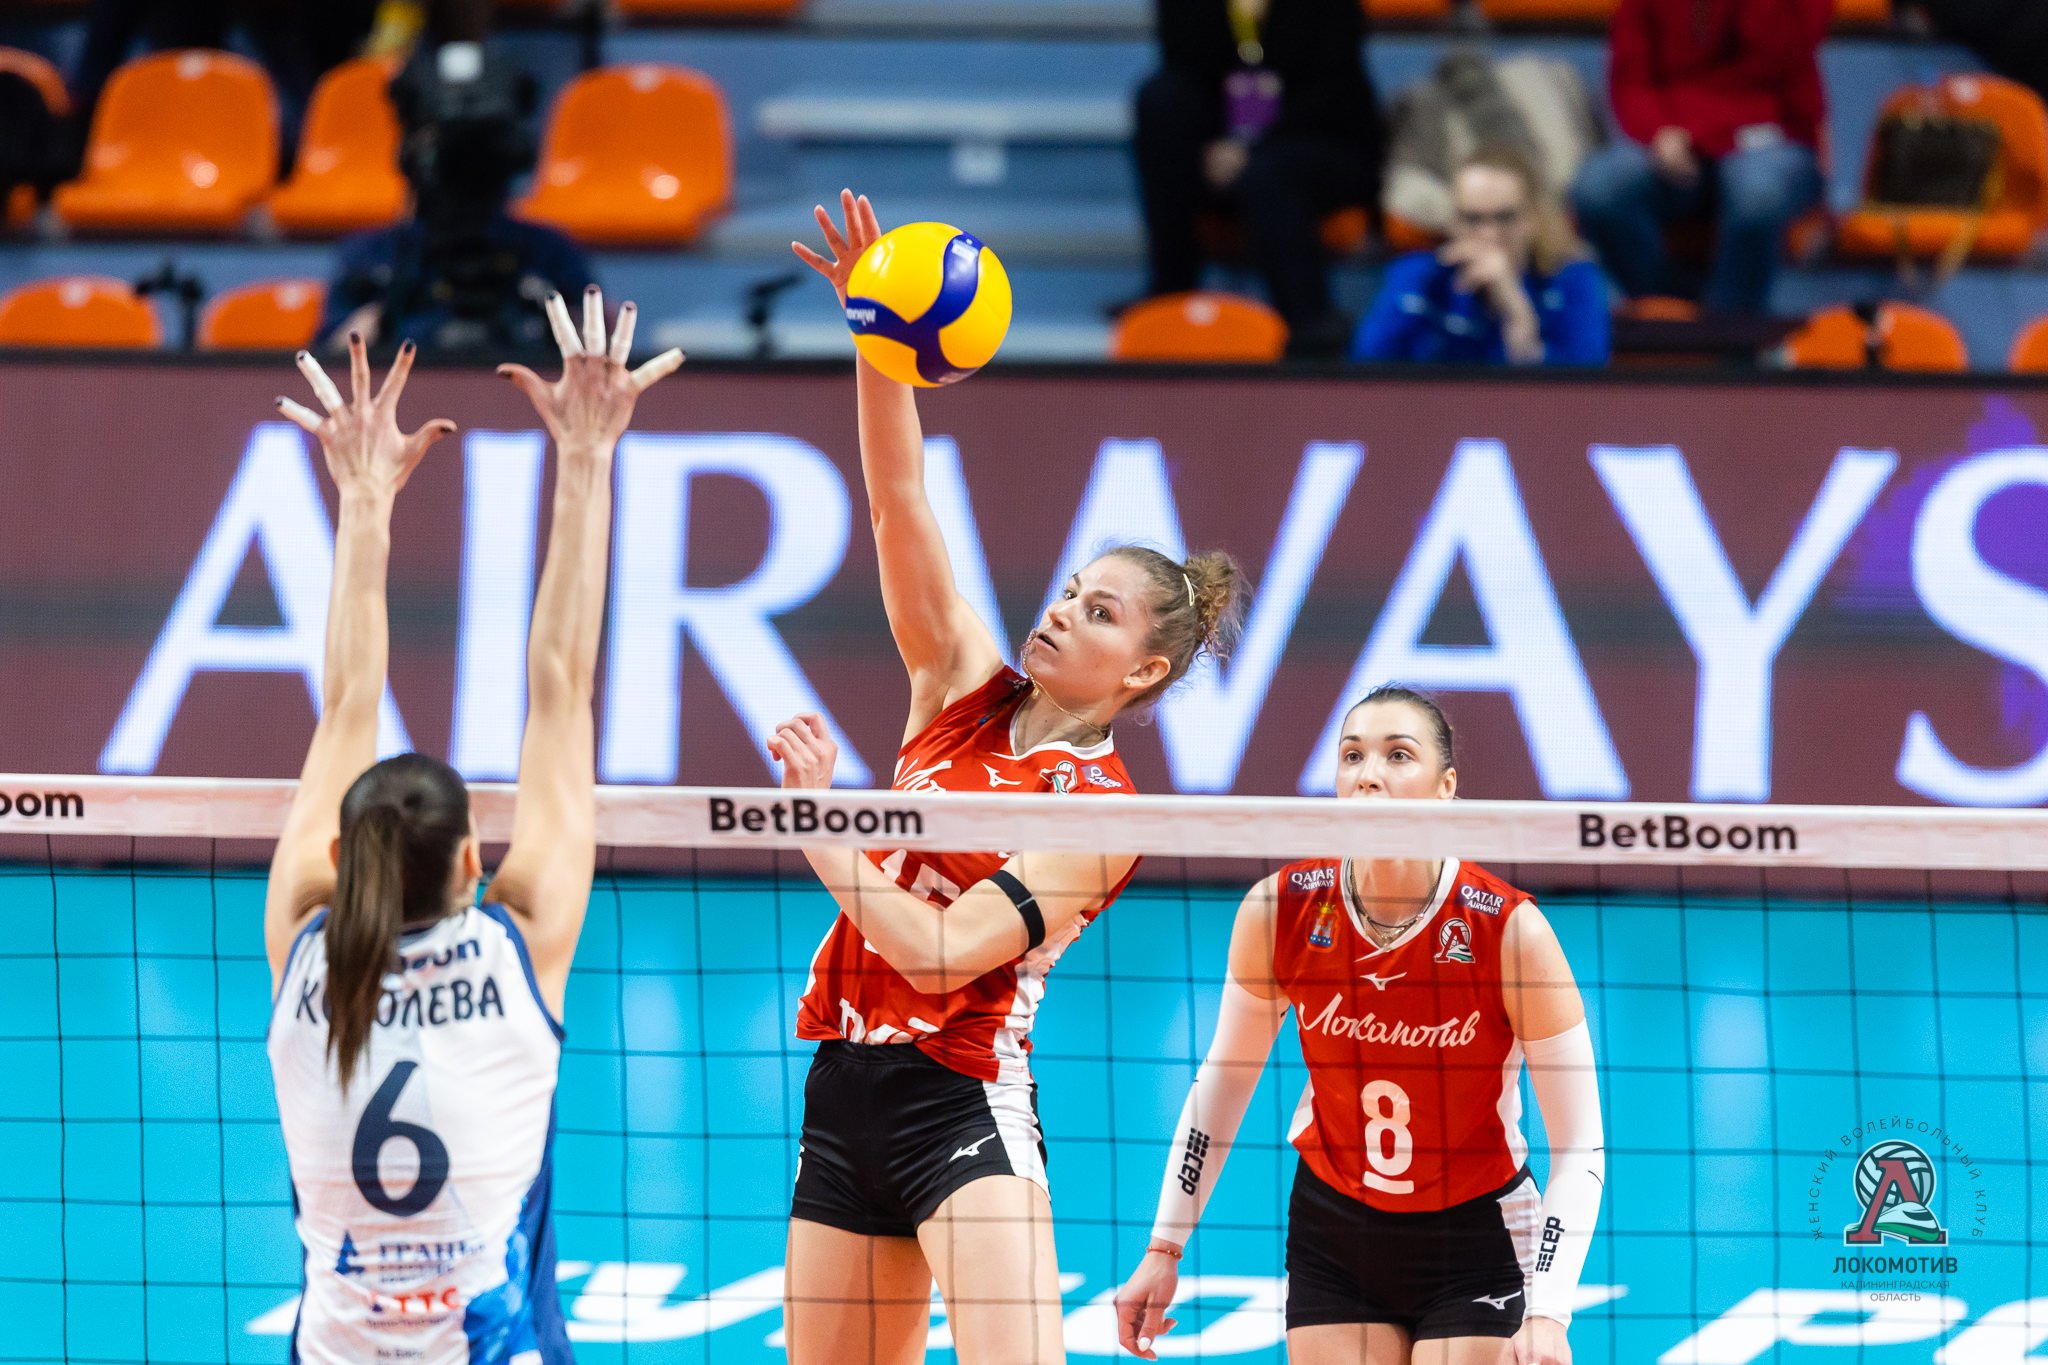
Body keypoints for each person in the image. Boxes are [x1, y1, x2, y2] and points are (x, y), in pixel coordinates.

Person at [767, 189, 1249, 1365]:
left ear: (1141, 670)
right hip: (841, 1090)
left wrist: (823, 827)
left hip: (961, 1108)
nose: (1062, 611)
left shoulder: (1101, 815)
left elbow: (941, 955)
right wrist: (877, 336)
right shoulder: (958, 686)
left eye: (1098, 613)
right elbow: (897, 504)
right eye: (1070, 591)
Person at [263, 291, 681, 1363]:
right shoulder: (519, 947)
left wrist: (362, 500)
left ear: (339, 859)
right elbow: (562, 687)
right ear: (472, 860)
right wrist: (585, 456)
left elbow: (344, 703)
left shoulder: (305, 952)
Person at [1114, 685, 1605, 1365]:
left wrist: (1549, 1311)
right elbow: (1222, 1086)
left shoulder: (1508, 930)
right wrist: (1164, 1247)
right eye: (1352, 755)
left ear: (1446, 787)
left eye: (1398, 755)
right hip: (1335, 1233)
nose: (1369, 773)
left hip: (1477, 1237)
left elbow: (1580, 1143)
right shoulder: (1281, 910)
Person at [1131, 0, 1383, 358]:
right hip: (1219, 147)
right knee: (1160, 101)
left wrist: (1250, 147)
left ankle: (1309, 324)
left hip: (1319, 141)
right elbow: (1185, 67)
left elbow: (1334, 92)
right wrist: (1219, 146)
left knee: (1271, 172)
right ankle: (1170, 295)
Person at [318, 42, 596, 354]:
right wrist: (385, 310)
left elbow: (600, 355)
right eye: (449, 146)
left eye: (482, 147)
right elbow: (330, 362)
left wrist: (546, 310)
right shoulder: (375, 256)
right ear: (410, 153)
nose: (467, 163)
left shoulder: (549, 253)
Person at [1569, 0, 1828, 315]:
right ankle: (1675, 316)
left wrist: (1703, 132)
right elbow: (1631, 80)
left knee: (1757, 193)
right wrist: (1658, 131)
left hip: (1771, 136)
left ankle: (1728, 332)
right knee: (1598, 188)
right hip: (1676, 143)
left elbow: (1788, 55)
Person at [1353, 148, 1609, 366]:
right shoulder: (1418, 276)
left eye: (1505, 217)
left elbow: (1583, 393)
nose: (1488, 234)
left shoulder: (1571, 279)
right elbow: (1365, 373)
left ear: (1531, 219)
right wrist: (1419, 291)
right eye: (1472, 219)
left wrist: (1517, 314)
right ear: (1453, 221)